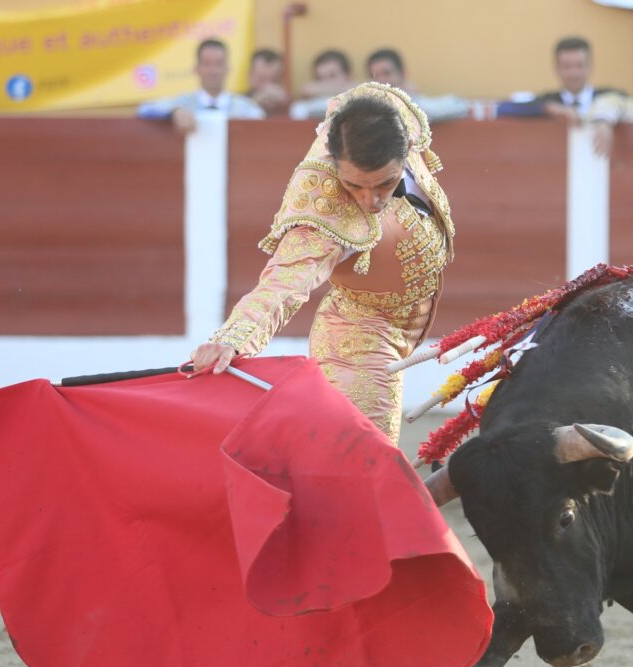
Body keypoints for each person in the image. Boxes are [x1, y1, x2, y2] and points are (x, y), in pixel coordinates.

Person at [191, 83, 455, 444]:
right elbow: (283, 281)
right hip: (358, 337)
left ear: (407, 150)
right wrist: (231, 340)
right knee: (369, 463)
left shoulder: (390, 118)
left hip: (404, 320)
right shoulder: (325, 205)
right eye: (355, 186)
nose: (370, 200)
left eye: (385, 184)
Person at [137, 38, 265, 133]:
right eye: (207, 64)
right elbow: (144, 109)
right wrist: (174, 112)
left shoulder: (244, 107)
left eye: (219, 64)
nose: (213, 71)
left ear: (228, 68)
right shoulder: (183, 103)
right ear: (196, 69)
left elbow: (261, 122)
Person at [499, 37, 624, 121]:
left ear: (590, 67)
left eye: (579, 65)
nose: (574, 73)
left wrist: (605, 115)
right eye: (567, 66)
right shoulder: (548, 101)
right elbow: (503, 109)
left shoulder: (608, 96)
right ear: (557, 69)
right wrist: (547, 108)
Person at [364, 48, 470, 121]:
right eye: (374, 76)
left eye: (387, 73)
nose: (381, 80)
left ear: (403, 74)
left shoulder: (417, 102)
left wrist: (408, 101)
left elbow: (460, 105)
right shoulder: (368, 108)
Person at [290, 49, 356, 121]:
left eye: (332, 76)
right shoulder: (304, 106)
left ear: (348, 75)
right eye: (320, 78)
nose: (326, 83)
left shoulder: (359, 98)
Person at [247, 48, 290, 116]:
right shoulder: (236, 103)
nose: (268, 86)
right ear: (250, 75)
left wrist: (285, 105)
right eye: (262, 79)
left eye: (274, 80)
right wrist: (253, 103)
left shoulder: (289, 105)